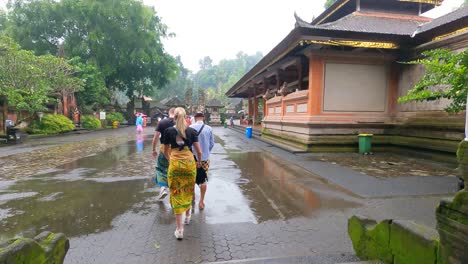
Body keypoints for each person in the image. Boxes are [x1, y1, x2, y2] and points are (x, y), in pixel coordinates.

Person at [162, 107, 202, 240]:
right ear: (186, 117)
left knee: (176, 193)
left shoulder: (168, 131)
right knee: (188, 189)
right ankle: (188, 216)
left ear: (174, 117)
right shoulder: (192, 131)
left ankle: (179, 230)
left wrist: (171, 160)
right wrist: (199, 162)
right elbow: (199, 152)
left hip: (175, 165)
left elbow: (165, 150)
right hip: (190, 164)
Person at [190, 112, 214, 210]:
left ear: (195, 118)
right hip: (204, 159)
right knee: (203, 180)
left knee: (192, 178)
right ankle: (201, 201)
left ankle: (193, 197)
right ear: (203, 118)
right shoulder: (209, 128)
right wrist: (206, 152)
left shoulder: (190, 128)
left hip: (192, 158)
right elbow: (212, 144)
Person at [152, 108, 176, 200]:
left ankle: (163, 188)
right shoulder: (180, 122)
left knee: (161, 169)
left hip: (164, 149)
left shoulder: (162, 123)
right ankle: (175, 192)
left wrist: (154, 149)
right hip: (176, 150)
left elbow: (156, 137)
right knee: (174, 169)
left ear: (169, 113)